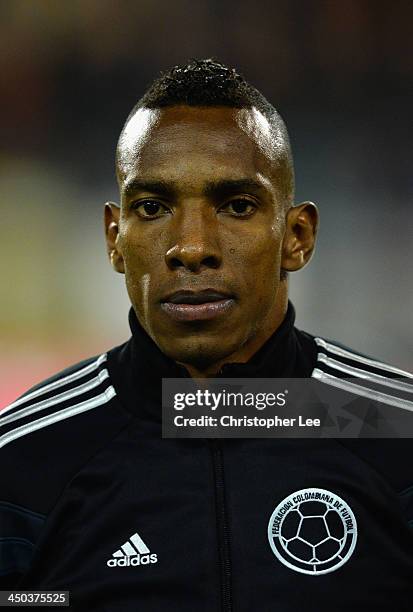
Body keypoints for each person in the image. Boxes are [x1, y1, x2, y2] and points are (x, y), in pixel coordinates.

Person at [1, 59, 412, 611]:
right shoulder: (25, 461)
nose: (191, 247)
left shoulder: (395, 433)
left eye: (237, 206)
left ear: (297, 236)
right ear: (115, 239)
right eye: (152, 207)